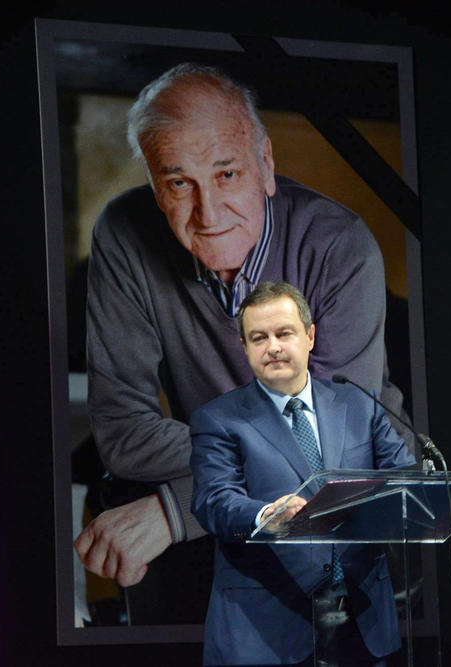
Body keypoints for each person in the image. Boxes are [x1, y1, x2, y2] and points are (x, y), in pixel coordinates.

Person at [74, 63, 409, 620]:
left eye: (227, 174)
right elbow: (123, 431)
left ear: (266, 165)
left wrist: (176, 512)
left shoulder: (338, 244)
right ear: (155, 186)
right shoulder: (124, 234)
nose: (207, 214)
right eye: (179, 183)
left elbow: (336, 455)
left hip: (353, 506)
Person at [191, 282, 414, 665]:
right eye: (259, 338)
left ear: (310, 337)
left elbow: (403, 478)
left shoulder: (359, 404)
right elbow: (214, 501)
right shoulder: (218, 419)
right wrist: (265, 516)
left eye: (284, 333)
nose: (273, 347)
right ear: (244, 347)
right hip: (267, 629)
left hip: (363, 620)